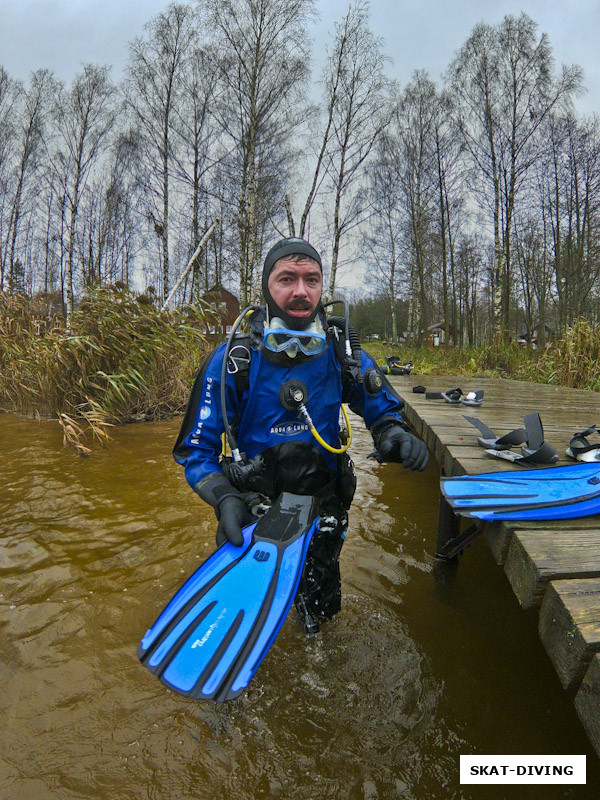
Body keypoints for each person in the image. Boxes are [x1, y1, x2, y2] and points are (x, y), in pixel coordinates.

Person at [173, 237, 429, 633]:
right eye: (286, 278)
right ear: (266, 288)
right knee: (245, 624)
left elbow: (381, 409)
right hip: (250, 513)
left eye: (312, 279)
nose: (300, 291)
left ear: (323, 287)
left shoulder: (342, 351)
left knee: (319, 623)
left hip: (322, 508)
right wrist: (223, 497)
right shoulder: (233, 360)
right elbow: (196, 451)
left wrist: (393, 435)